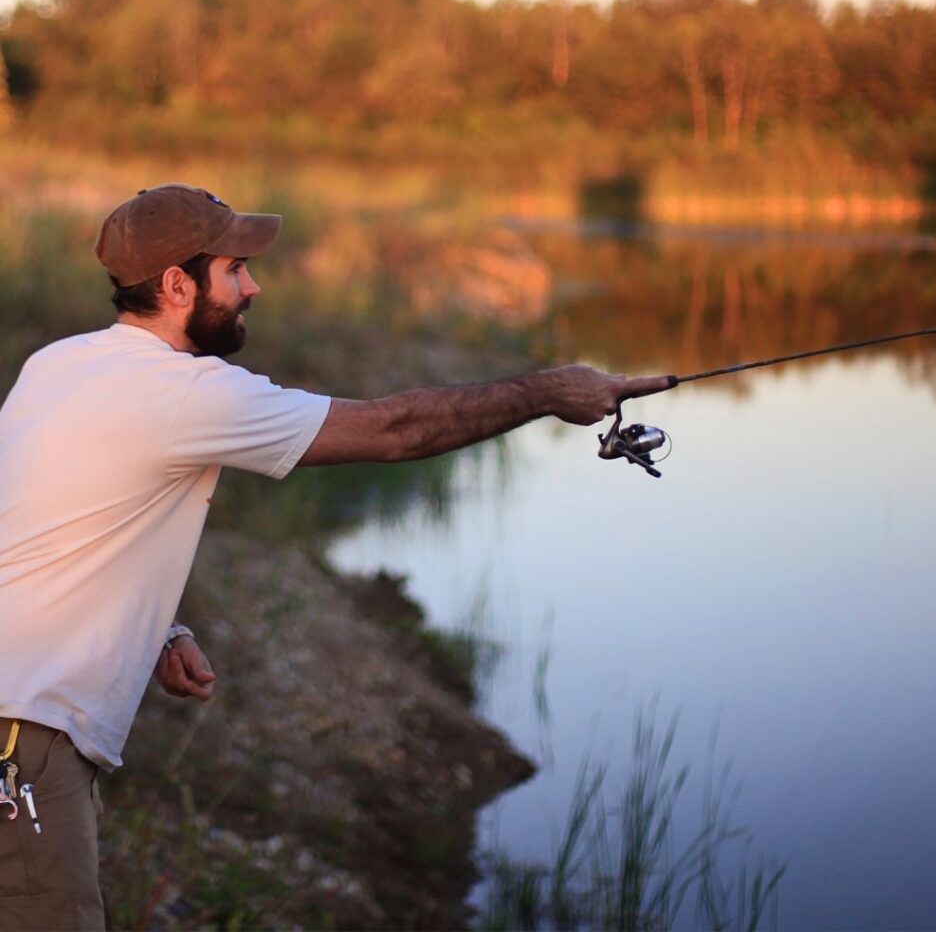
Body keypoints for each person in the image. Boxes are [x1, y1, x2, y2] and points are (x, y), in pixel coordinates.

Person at [0, 183, 668, 930]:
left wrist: (157, 627)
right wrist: (548, 390)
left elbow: (36, 525)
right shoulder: (184, 392)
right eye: (236, 268)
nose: (254, 285)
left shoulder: (57, 365)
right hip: (23, 740)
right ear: (178, 284)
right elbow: (395, 431)